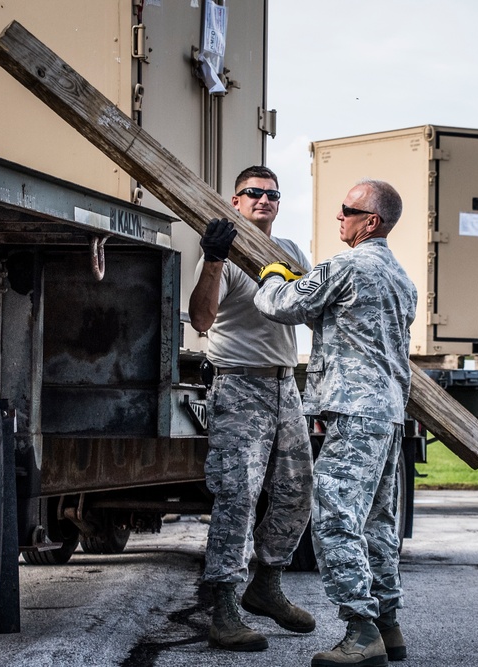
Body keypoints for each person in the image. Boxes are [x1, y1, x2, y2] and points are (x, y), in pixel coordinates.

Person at [252, 178, 417, 667]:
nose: (339, 215)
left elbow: (279, 306)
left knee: (333, 514)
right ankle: (388, 626)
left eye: (349, 209)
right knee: (378, 524)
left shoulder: (346, 266)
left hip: (355, 413)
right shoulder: (401, 278)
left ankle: (360, 631)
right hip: (388, 415)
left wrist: (274, 275)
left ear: (372, 222)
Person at [188, 165, 315, 652]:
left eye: (272, 194)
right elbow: (201, 318)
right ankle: (223, 607)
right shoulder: (222, 255)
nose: (263, 200)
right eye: (253, 193)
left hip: (286, 386)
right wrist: (214, 260)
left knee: (298, 490)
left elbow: (308, 307)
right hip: (239, 386)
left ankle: (266, 585)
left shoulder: (291, 253)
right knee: (237, 496)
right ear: (235, 201)